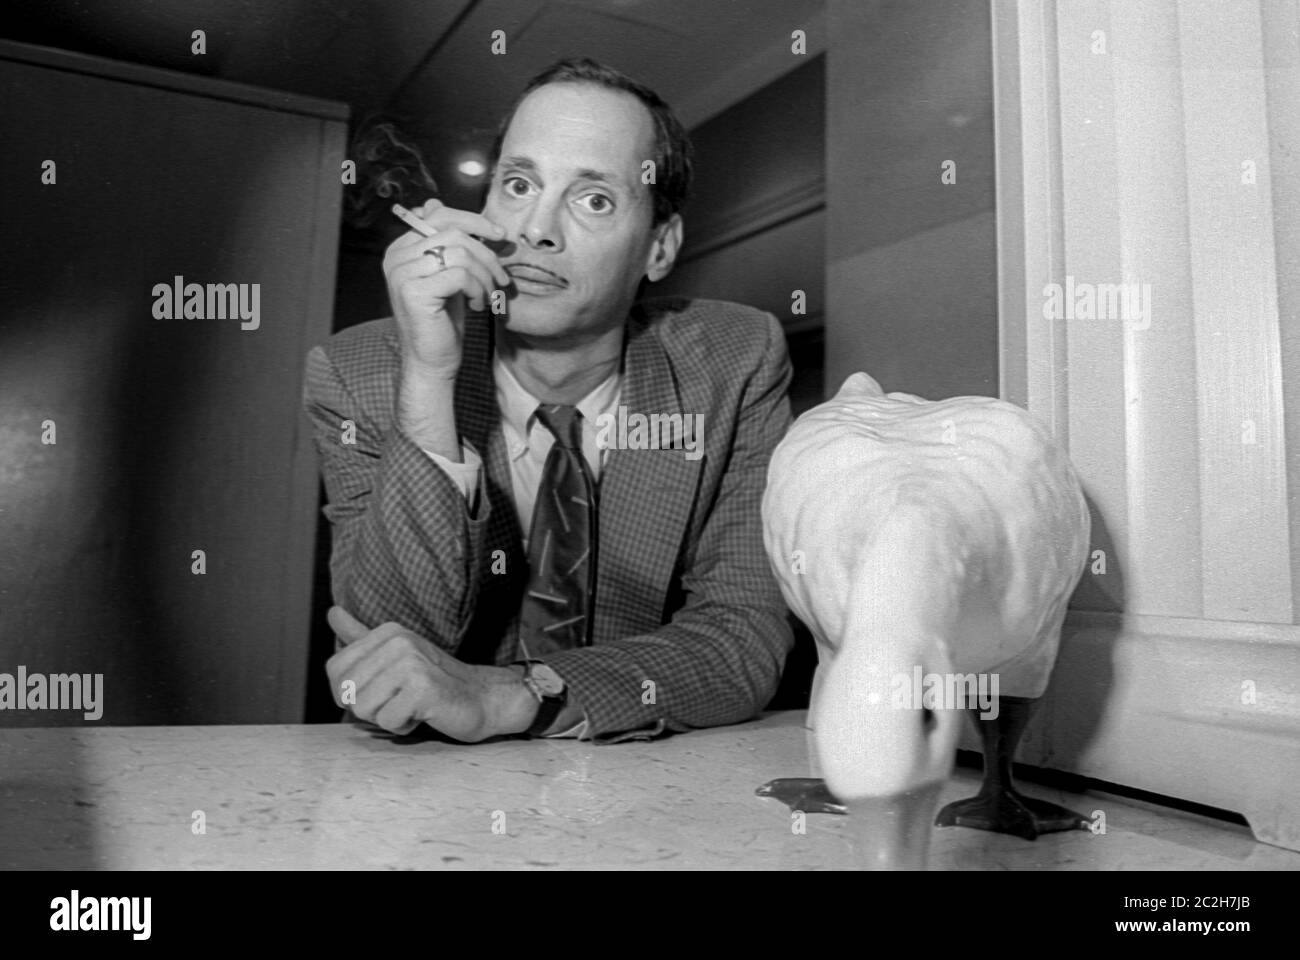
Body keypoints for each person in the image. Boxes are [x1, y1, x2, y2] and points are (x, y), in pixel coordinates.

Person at [303, 58, 794, 743]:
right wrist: (427, 381)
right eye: (518, 184)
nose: (536, 229)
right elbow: (381, 671)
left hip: (637, 789)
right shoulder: (357, 372)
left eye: (593, 199)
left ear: (659, 246)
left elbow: (743, 637)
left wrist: (514, 695)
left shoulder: (738, 361)